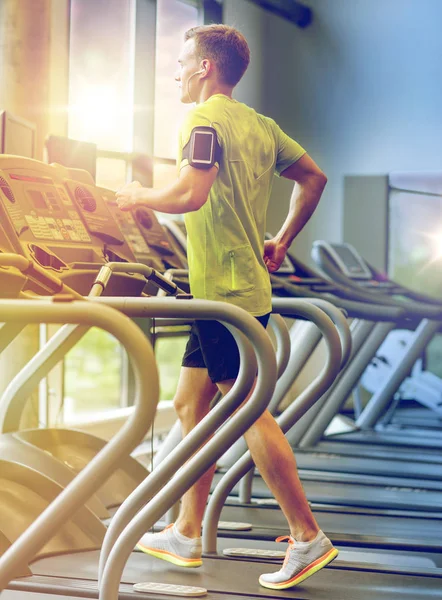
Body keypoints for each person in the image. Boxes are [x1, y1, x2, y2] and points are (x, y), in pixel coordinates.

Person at [116, 24, 336, 590]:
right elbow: (314, 176)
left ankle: (307, 534)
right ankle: (187, 529)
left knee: (247, 412)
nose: (177, 72)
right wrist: (282, 239)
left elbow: (192, 192)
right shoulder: (260, 126)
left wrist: (136, 195)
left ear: (206, 68)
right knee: (191, 403)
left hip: (224, 296)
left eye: (183, 61)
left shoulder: (202, 119)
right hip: (233, 291)